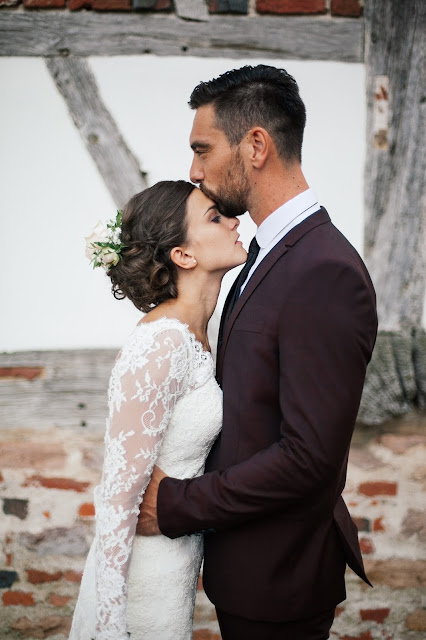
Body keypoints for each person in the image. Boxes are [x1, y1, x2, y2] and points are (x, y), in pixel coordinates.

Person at [136, 65, 378, 640]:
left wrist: (173, 505)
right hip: (248, 567)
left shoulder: (323, 271)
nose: (194, 172)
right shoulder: (267, 254)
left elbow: (309, 459)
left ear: (257, 145)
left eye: (203, 149)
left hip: (281, 575)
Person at [69, 180, 247, 640]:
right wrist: (110, 623)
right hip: (143, 577)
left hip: (179, 559)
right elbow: (116, 498)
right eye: (215, 217)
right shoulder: (160, 344)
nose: (235, 220)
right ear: (183, 255)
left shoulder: (202, 336)